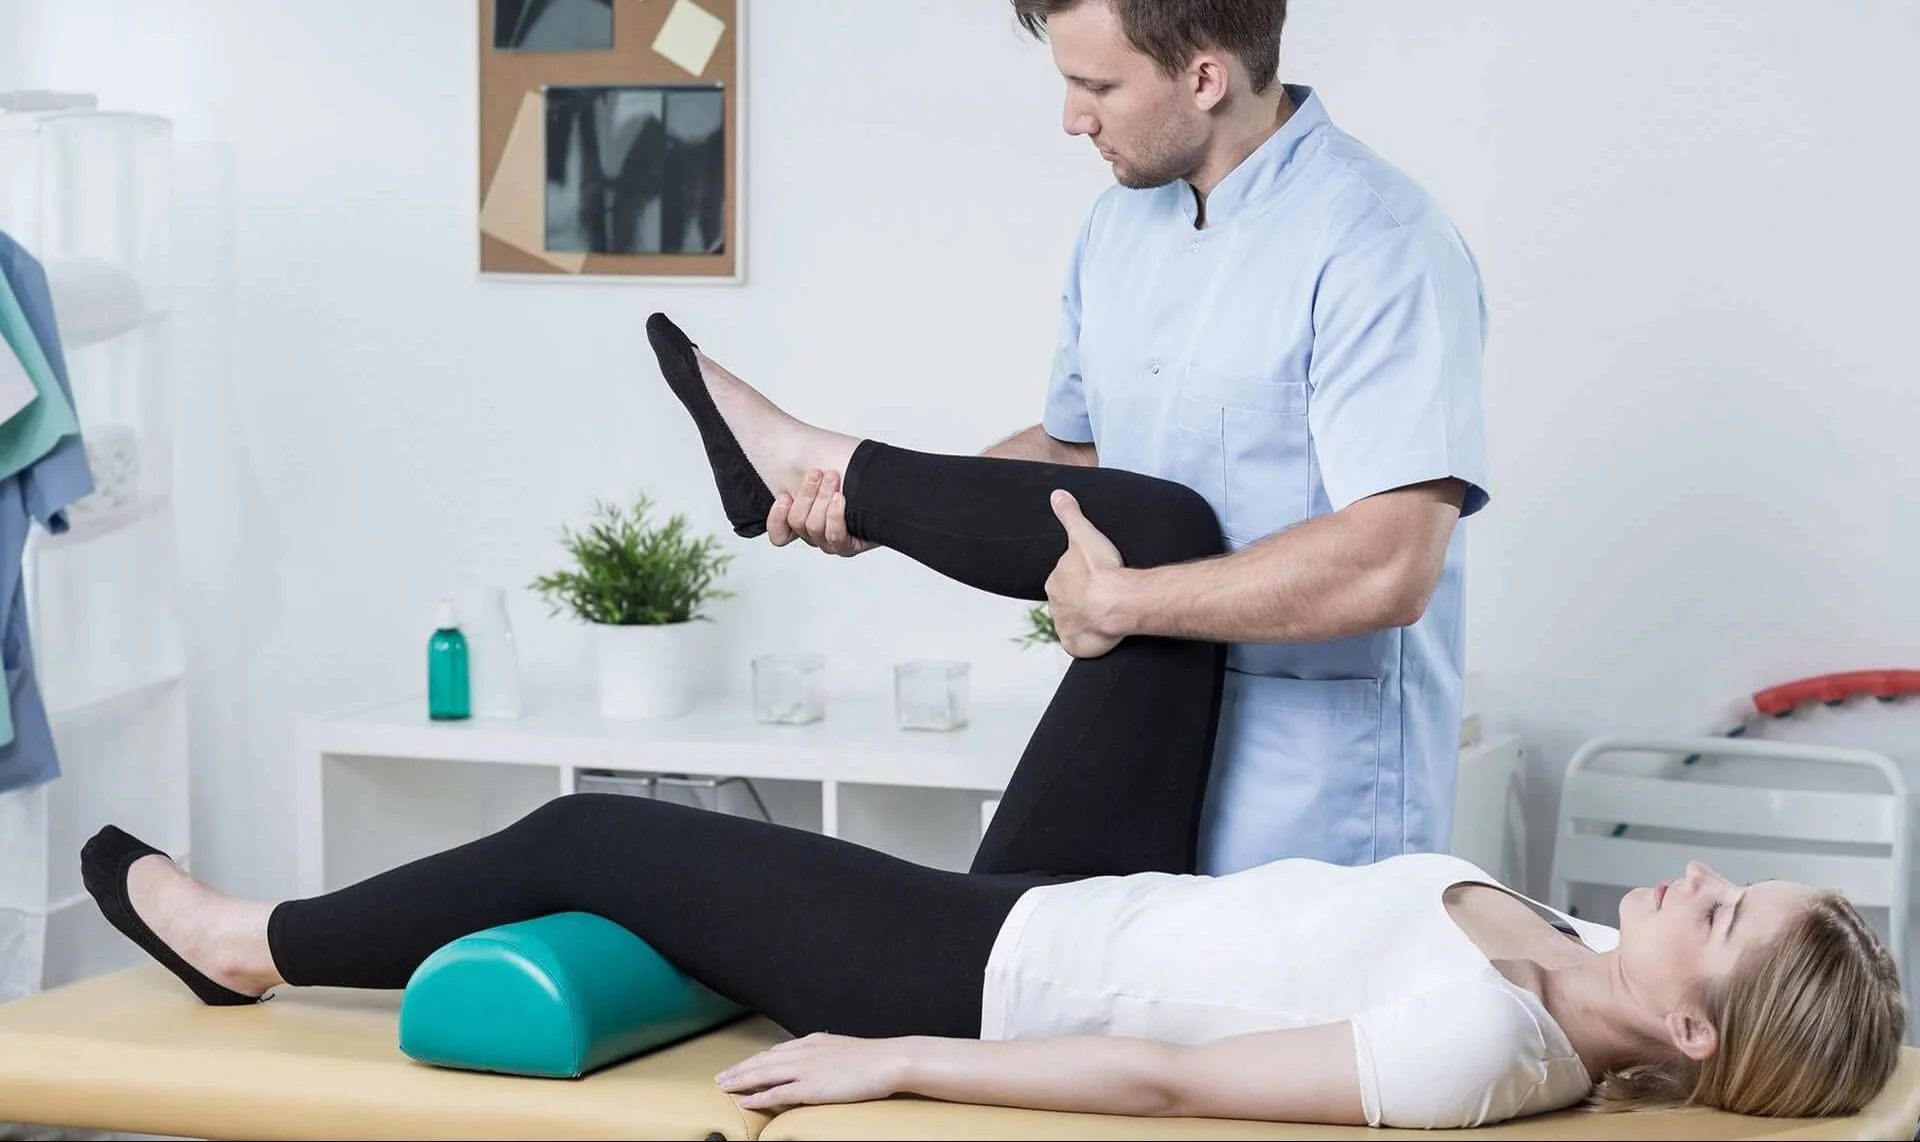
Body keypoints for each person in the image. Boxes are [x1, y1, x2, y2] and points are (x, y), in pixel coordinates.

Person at [81, 316, 1902, 1129]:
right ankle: (820, 470)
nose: (1709, 879)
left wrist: (900, 1057)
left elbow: (1170, 1079)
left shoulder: (1471, 1052)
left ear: (1682, 1016)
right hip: (1102, 893)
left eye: (1728, 917)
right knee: (1169, 538)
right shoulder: (1587, 960)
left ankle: (258, 945)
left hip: (998, 970)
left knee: (594, 838)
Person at [762, 0, 1493, 877]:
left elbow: (1390, 560)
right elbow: (1080, 453)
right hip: (1141, 724)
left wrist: (1125, 604)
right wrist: (881, 504)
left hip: (1314, 786)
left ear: (1205, 76)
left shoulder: (1380, 242)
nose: (1073, 118)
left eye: (1096, 85)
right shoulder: (1118, 228)